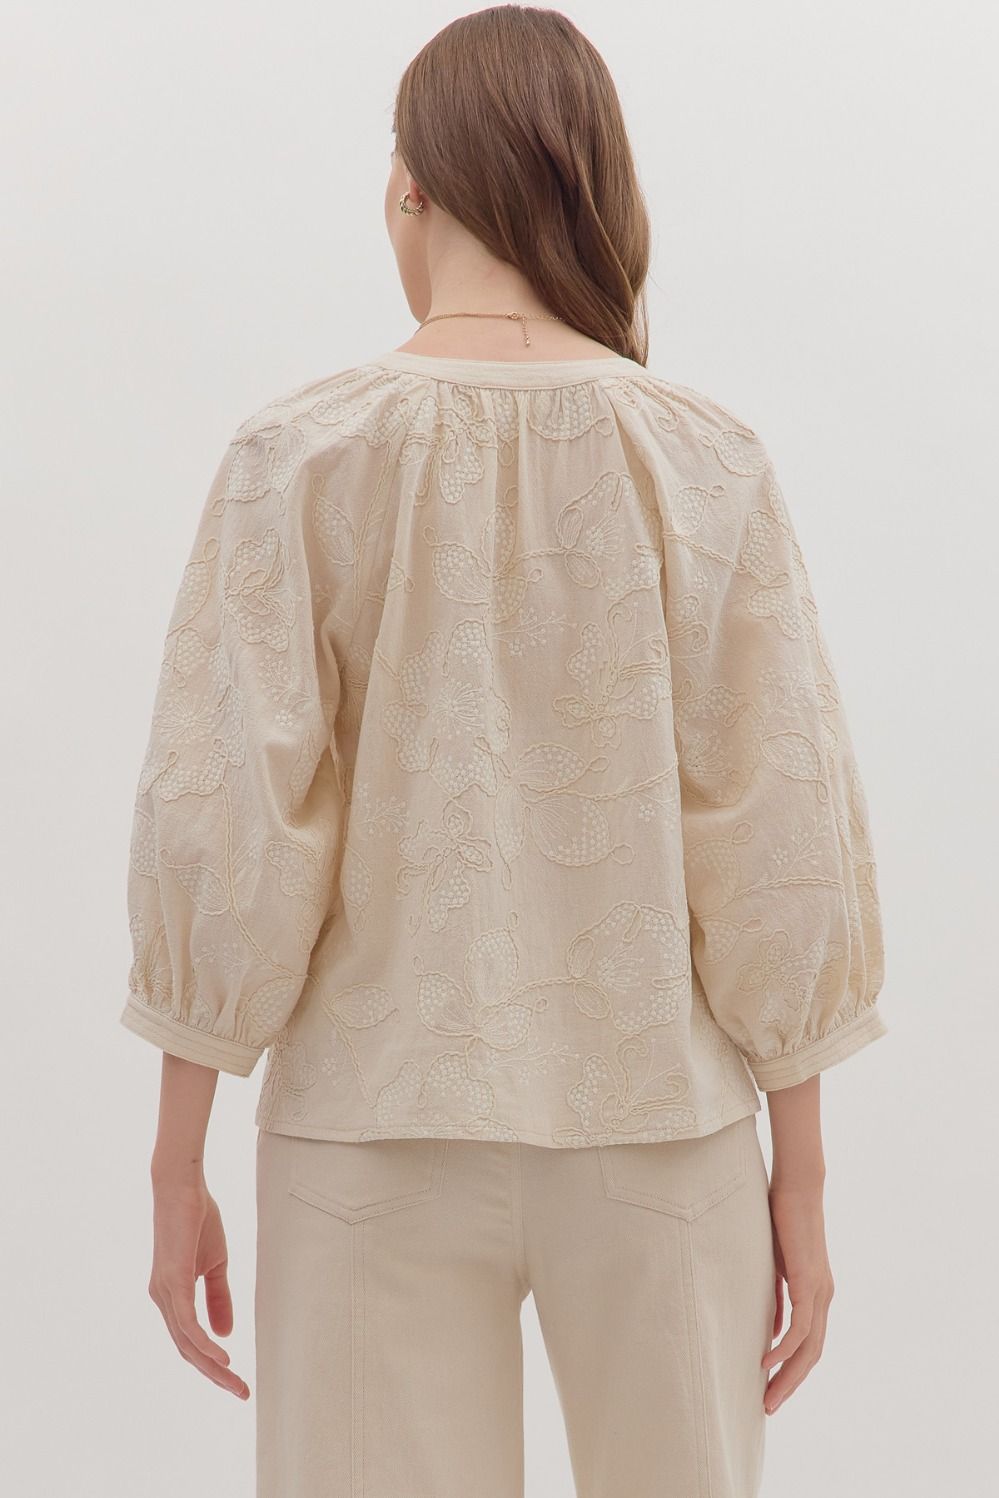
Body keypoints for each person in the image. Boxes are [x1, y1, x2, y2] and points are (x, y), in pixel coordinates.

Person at [119, 8, 887, 1496]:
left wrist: (174, 1159)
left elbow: (228, 824)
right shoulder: (705, 457)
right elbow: (779, 833)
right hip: (659, 1127)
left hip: (368, 1129)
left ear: (409, 183)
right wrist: (804, 1179)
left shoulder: (300, 453)